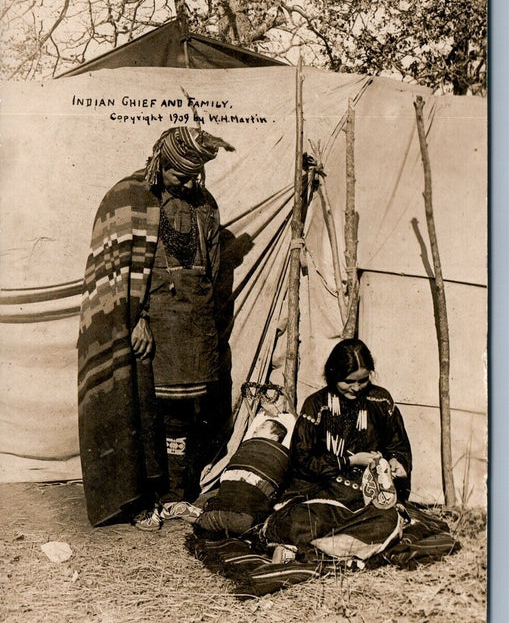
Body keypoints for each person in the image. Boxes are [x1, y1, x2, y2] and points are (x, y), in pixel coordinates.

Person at [77, 125, 234, 529]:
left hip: (193, 326)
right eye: (179, 175)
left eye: (193, 176)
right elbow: (121, 271)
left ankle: (176, 495)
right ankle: (144, 498)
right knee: (148, 409)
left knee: (185, 410)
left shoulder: (205, 205)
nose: (186, 182)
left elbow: (214, 268)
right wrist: (137, 319)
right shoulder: (131, 197)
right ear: (161, 162)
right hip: (152, 323)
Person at [263, 338, 413, 551]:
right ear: (333, 375)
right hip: (322, 492)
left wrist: (398, 461)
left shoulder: (381, 401)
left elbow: (397, 444)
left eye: (363, 381)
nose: (356, 388)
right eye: (349, 381)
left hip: (366, 494)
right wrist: (348, 461)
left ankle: (326, 546)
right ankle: (346, 545)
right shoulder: (316, 406)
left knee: (386, 518)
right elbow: (302, 460)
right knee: (299, 521)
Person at [194, 418, 290, 536]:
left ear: (275, 438)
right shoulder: (246, 449)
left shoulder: (277, 456)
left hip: (233, 517)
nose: (256, 428)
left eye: (263, 427)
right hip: (245, 521)